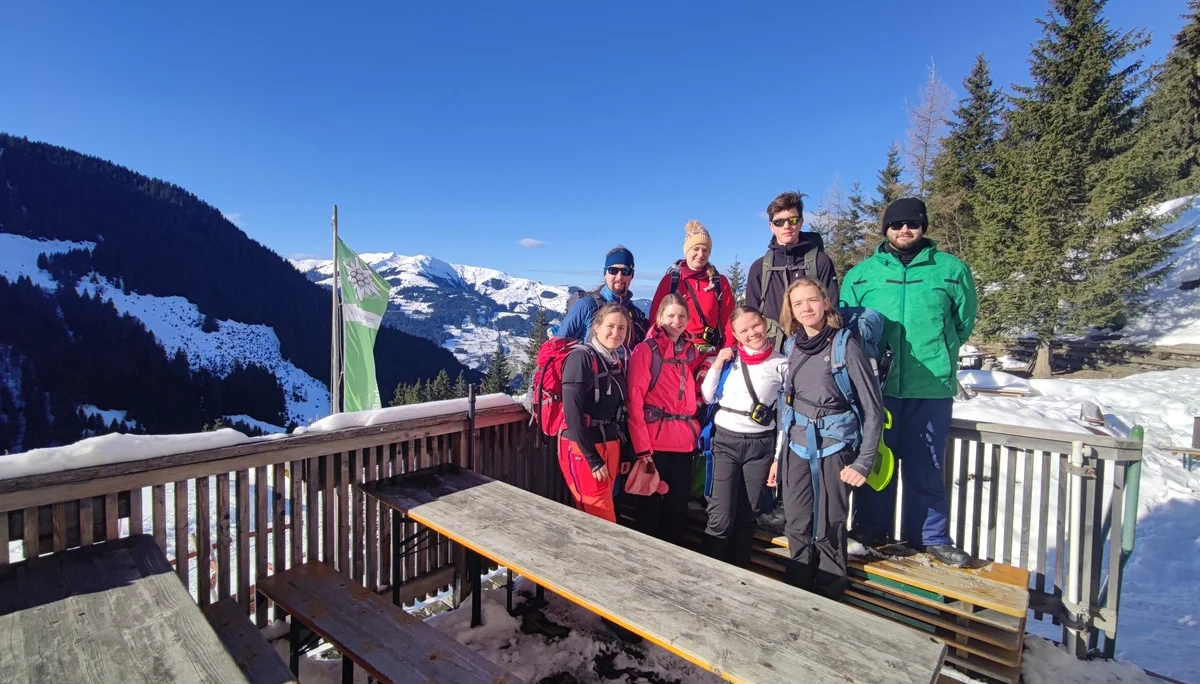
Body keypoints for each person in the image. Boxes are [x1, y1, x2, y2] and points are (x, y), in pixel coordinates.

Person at [840, 197, 978, 567]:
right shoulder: (862, 274)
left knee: (926, 464)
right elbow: (847, 328)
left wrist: (939, 350)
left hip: (929, 386)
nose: (905, 230)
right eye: (898, 224)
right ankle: (870, 528)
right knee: (875, 460)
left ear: (923, 228)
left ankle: (929, 537)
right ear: (885, 228)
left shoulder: (951, 270)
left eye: (913, 224)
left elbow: (964, 322)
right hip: (876, 388)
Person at [773, 277, 884, 599]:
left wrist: (863, 462)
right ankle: (798, 591)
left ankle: (829, 596)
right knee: (796, 523)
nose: (806, 308)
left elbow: (873, 408)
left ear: (825, 302)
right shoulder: (792, 346)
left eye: (811, 300)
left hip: (833, 448)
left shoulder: (844, 345)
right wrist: (778, 457)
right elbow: (786, 403)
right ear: (790, 311)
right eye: (798, 303)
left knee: (830, 526)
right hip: (795, 446)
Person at [698, 306, 787, 567]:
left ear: (765, 324)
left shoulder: (782, 365)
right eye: (744, 330)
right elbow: (707, 395)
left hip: (761, 446)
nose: (752, 333)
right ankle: (711, 572)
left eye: (755, 326)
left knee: (748, 516)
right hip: (726, 442)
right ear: (735, 335)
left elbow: (784, 416)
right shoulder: (729, 360)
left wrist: (778, 458)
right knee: (720, 517)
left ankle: (738, 574)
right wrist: (716, 363)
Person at [626, 293, 700, 546]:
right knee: (650, 506)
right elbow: (634, 401)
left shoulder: (688, 351)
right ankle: (647, 560)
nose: (676, 321)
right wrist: (642, 450)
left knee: (677, 508)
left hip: (684, 442)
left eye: (682, 316)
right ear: (659, 318)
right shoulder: (646, 350)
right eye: (670, 315)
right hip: (655, 444)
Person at [558, 304, 633, 523]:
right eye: (610, 326)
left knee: (600, 512)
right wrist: (593, 459)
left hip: (609, 445)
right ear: (596, 327)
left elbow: (618, 410)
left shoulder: (612, 360)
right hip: (585, 448)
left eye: (622, 328)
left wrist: (624, 452)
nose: (615, 333)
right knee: (600, 517)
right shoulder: (581, 358)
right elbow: (572, 413)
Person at [746, 191, 839, 348]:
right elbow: (751, 316)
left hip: (813, 347)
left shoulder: (820, 261)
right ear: (771, 227)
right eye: (779, 222)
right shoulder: (759, 268)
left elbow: (831, 308)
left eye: (793, 220)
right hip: (772, 350)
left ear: (801, 222)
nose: (787, 226)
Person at [648, 221, 735, 362]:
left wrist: (729, 347)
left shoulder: (719, 282)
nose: (700, 254)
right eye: (696, 249)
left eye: (705, 250)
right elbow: (655, 319)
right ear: (687, 250)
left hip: (710, 353)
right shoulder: (671, 281)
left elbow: (729, 319)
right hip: (677, 353)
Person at [556, 245, 650, 357]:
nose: (619, 277)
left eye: (625, 271)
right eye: (613, 270)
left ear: (632, 275)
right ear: (605, 273)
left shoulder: (635, 314)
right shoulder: (588, 306)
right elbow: (557, 346)